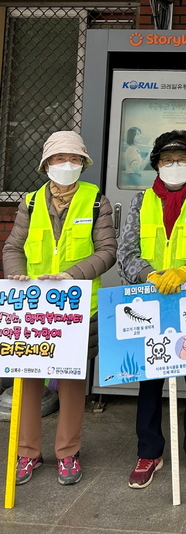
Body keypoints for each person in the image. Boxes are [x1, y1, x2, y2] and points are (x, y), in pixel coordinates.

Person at [3, 130, 117, 486]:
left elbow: (107, 251)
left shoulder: (97, 201)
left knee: (70, 381)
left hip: (78, 307)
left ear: (82, 163)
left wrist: (70, 275)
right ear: (46, 164)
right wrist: (18, 276)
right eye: (58, 159)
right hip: (34, 308)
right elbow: (12, 247)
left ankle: (68, 453)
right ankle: (26, 453)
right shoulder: (31, 203)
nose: (65, 165)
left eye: (73, 159)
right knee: (29, 379)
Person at [117, 130, 186, 489]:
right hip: (150, 302)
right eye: (167, 160)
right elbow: (125, 253)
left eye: (182, 159)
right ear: (156, 164)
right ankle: (149, 452)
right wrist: (150, 275)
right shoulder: (140, 202)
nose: (174, 165)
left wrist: (185, 272)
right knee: (149, 378)